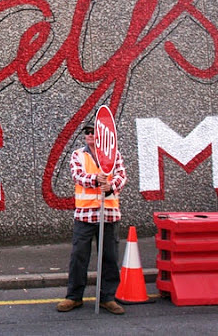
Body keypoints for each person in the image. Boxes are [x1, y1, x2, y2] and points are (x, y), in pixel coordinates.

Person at [57, 122, 127, 315]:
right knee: (79, 257)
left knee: (109, 257)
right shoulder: (78, 155)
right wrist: (96, 180)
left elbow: (121, 176)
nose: (89, 135)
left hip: (109, 214)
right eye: (87, 132)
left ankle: (108, 298)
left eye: (93, 132)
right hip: (85, 215)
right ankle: (74, 296)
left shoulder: (114, 155)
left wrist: (111, 186)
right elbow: (78, 176)